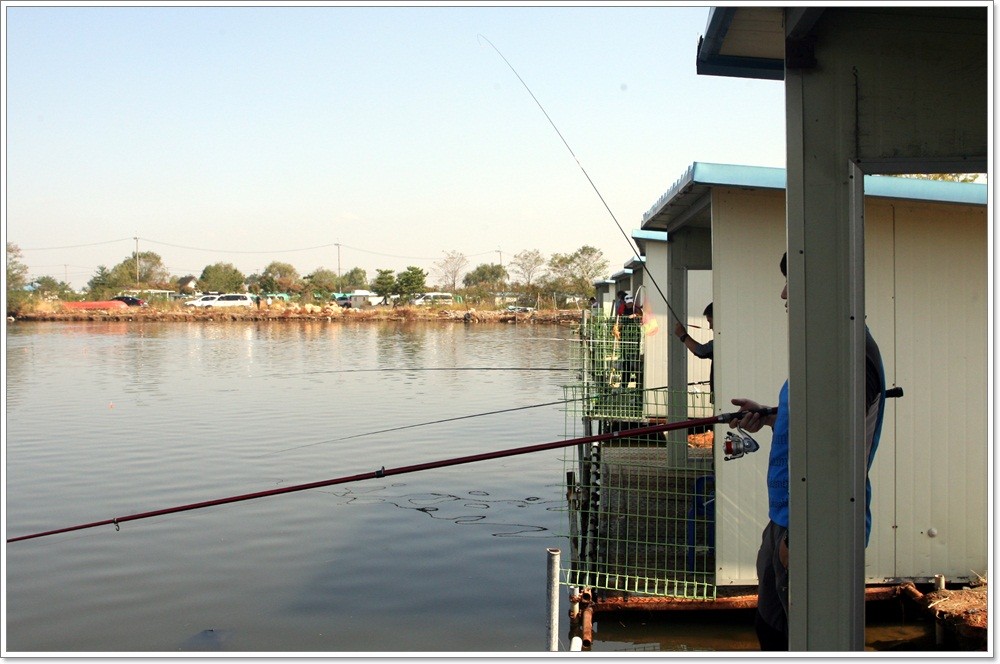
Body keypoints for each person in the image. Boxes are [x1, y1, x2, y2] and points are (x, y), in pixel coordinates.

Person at [728, 253, 886, 651]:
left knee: (808, 641)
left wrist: (801, 539)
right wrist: (769, 417)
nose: (784, 294)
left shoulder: (849, 356)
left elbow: (837, 460)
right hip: (785, 518)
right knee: (772, 631)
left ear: (823, 288)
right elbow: (814, 425)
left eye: (792, 283)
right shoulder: (823, 349)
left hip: (813, 530)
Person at [674, 302, 714, 396]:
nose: (710, 327)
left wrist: (683, 336)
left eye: (710, 321)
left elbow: (702, 351)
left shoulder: (724, 342)